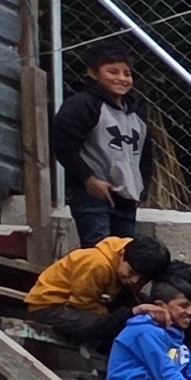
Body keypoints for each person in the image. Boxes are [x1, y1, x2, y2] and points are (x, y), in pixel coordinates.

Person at [50, 46, 152, 248]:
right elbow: (63, 145)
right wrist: (88, 179)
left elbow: (145, 156)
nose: (121, 78)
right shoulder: (82, 105)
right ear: (93, 73)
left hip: (126, 199)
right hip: (92, 197)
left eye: (127, 73)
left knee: (124, 256)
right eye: (112, 72)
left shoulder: (136, 114)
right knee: (98, 254)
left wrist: (141, 191)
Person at [23, 232, 172, 358]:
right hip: (49, 307)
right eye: (131, 272)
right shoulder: (97, 264)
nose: (134, 281)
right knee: (107, 326)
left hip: (82, 301)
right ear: (122, 255)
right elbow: (82, 303)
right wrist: (111, 319)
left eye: (142, 280)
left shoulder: (127, 255)